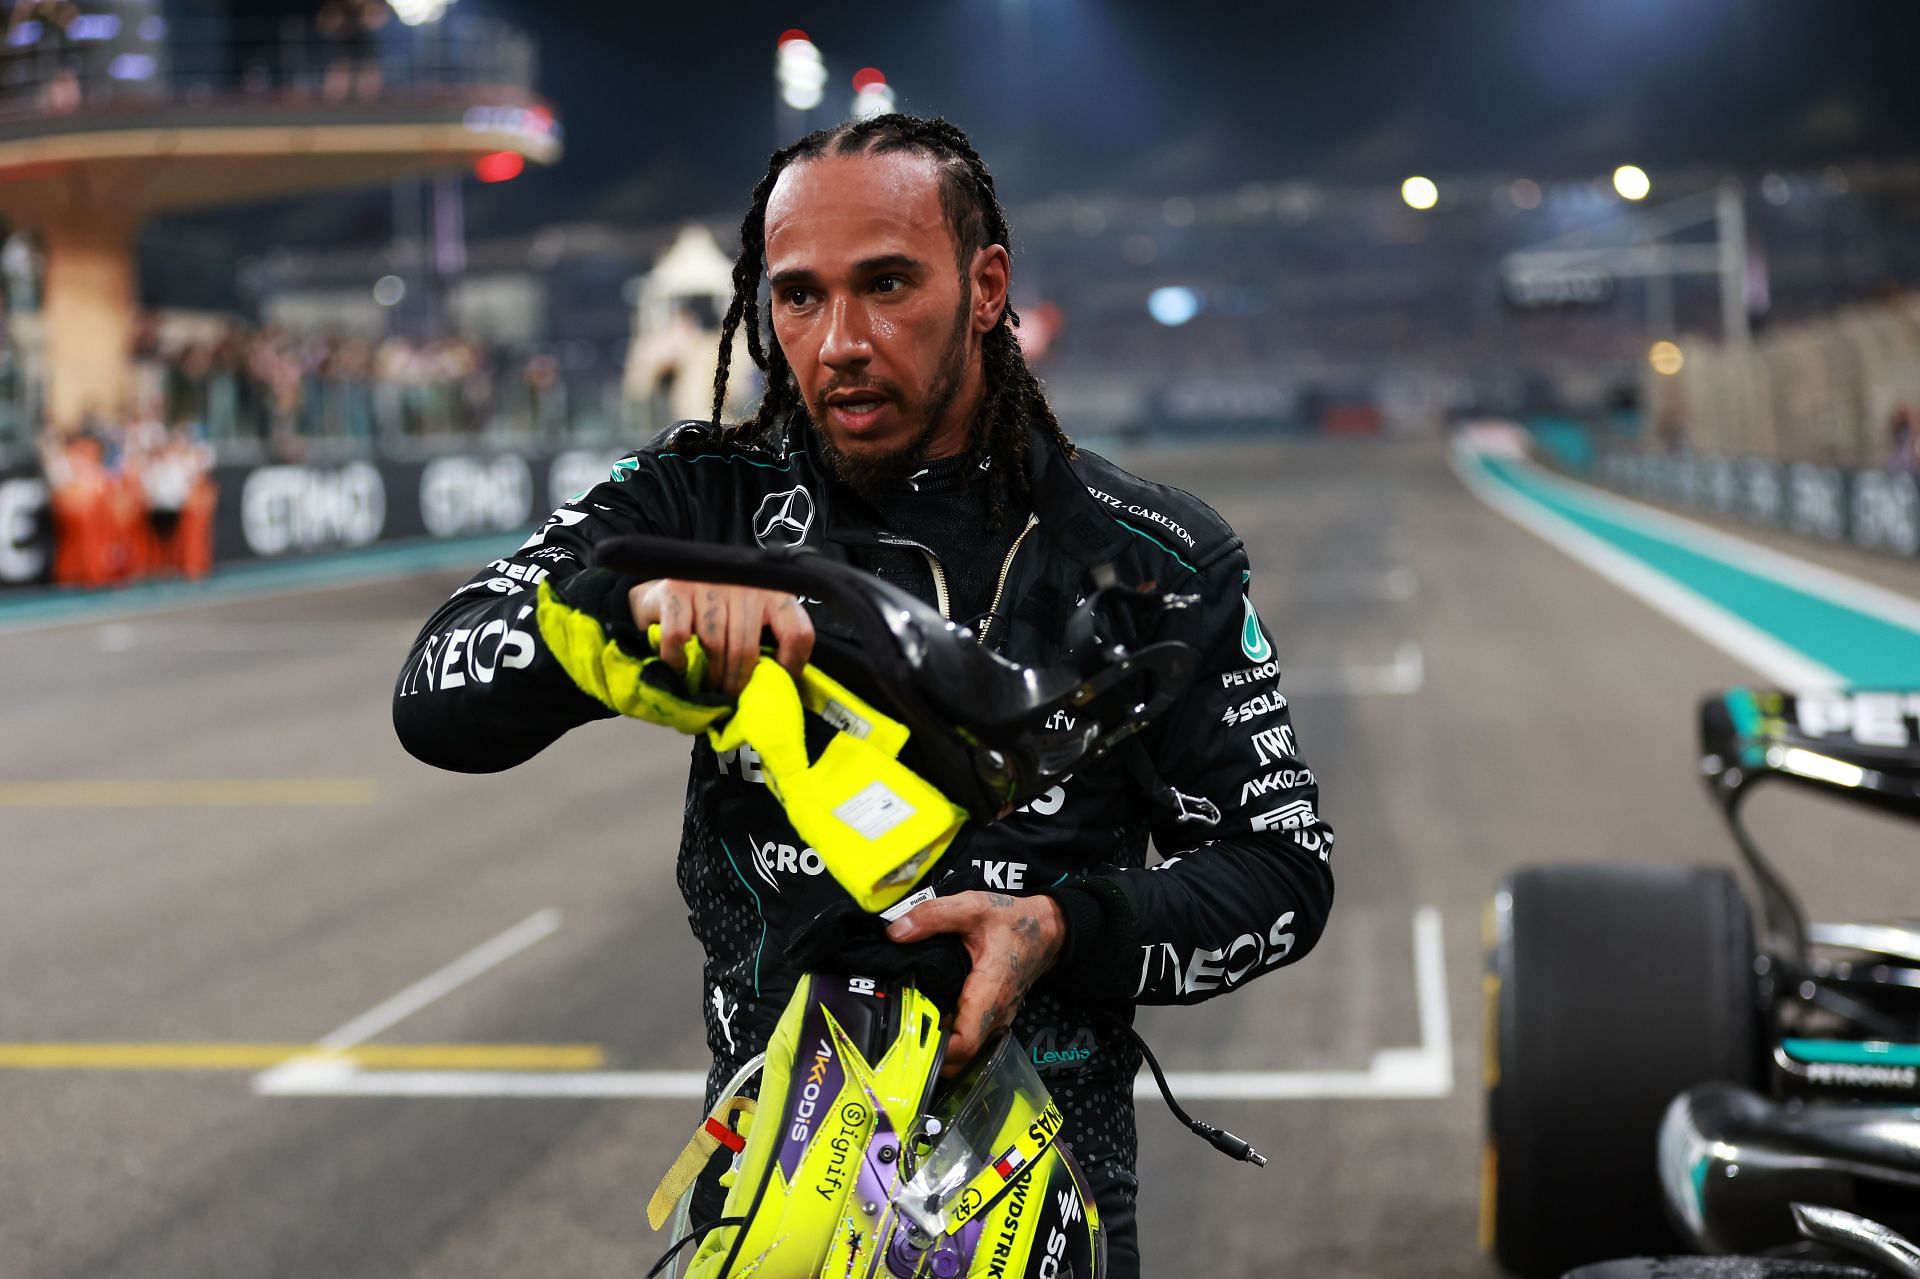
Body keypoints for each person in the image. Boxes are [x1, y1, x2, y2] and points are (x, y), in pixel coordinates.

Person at [392, 113, 1333, 1276]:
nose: (838, 340)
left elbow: (1283, 873)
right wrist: (621, 623)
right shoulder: (696, 503)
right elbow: (433, 687)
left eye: (887, 285)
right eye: (797, 297)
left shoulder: (1155, 556)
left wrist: (1060, 930)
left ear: (986, 287)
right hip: (767, 1194)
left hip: (1049, 1194)